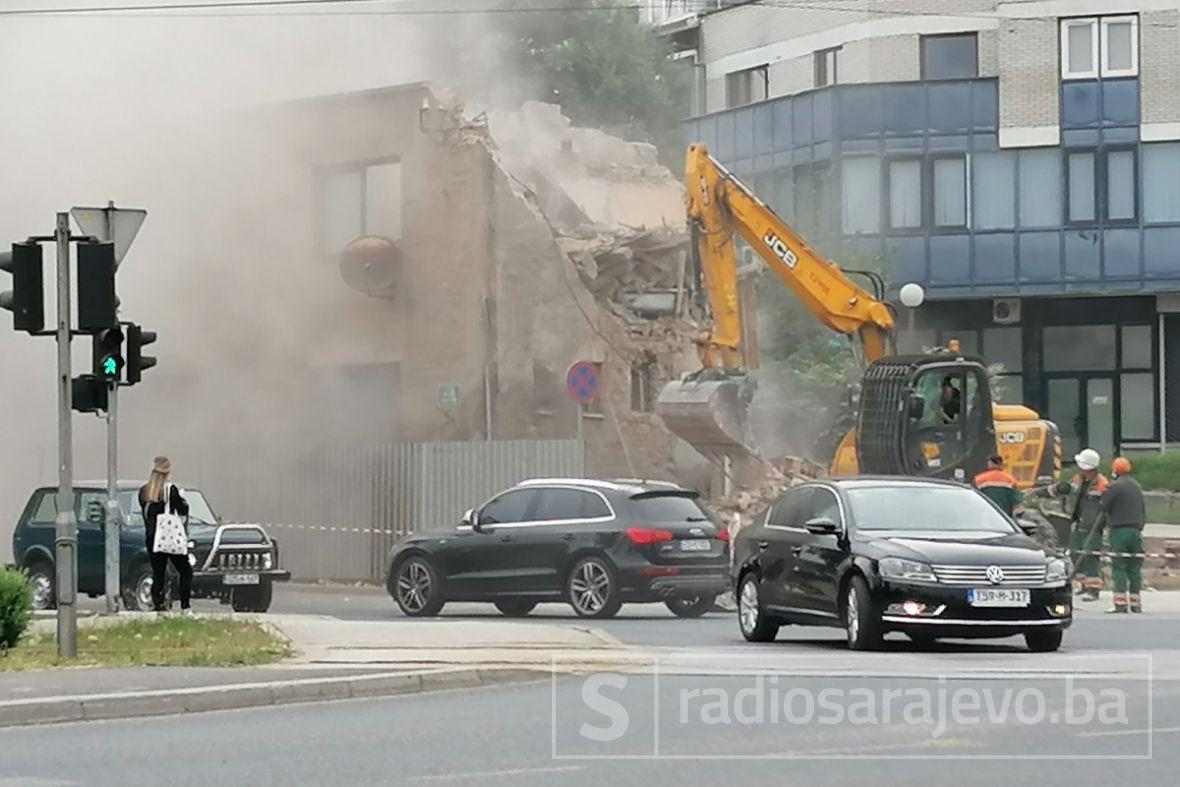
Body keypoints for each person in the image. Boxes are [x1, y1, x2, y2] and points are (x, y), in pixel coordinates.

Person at [1052, 448, 1109, 602]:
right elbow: (1071, 490)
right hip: (1078, 523)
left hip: (1093, 527)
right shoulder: (1078, 479)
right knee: (1075, 553)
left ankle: (1094, 589)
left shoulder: (1102, 484)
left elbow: (1106, 506)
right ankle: (1083, 585)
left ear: (1087, 467)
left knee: (1091, 557)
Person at [138, 456, 192, 615]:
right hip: (170, 538)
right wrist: (182, 499)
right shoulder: (170, 490)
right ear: (168, 472)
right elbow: (182, 511)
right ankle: (185, 607)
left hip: (152, 539)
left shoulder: (144, 492)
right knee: (185, 571)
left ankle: (159, 607)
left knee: (158, 573)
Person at [1100, 456, 1146, 614]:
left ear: (1114, 471)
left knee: (1119, 567)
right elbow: (1142, 508)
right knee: (1134, 568)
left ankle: (1120, 604)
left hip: (1120, 531)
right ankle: (1136, 604)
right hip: (1136, 531)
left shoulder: (1115, 486)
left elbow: (1103, 505)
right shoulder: (1136, 486)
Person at [974, 454, 1023, 518]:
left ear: (991, 463)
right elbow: (1017, 502)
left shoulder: (979, 479)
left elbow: (974, 499)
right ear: (1001, 464)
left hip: (986, 517)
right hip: (1004, 518)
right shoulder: (1010, 480)